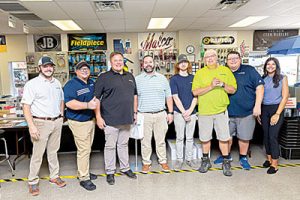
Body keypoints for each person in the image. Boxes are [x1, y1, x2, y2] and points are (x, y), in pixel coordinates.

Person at [21, 56, 66, 196]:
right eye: (45, 66)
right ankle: (33, 181)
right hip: (40, 123)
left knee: (53, 151)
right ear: (40, 68)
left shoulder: (57, 82)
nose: (48, 68)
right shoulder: (32, 84)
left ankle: (54, 176)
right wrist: (31, 126)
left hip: (56, 121)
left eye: (50, 66)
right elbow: (26, 106)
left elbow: (61, 100)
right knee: (38, 154)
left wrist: (61, 116)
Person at [214, 51, 264, 170]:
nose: (232, 60)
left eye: (235, 58)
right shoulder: (222, 72)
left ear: (240, 59)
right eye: (230, 59)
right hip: (226, 112)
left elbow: (260, 87)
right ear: (226, 61)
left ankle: (243, 157)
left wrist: (257, 106)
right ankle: (226, 156)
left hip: (246, 112)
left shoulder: (249, 70)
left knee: (244, 137)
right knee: (226, 137)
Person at [94, 52, 137, 185]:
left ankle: (125, 168)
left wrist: (135, 113)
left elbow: (135, 95)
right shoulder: (103, 77)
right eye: (115, 60)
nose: (118, 62)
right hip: (110, 119)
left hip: (127, 118)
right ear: (111, 62)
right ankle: (110, 171)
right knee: (110, 146)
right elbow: (96, 99)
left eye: (120, 60)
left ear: (123, 62)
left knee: (123, 145)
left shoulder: (130, 76)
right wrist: (98, 117)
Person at [192, 49, 237, 176]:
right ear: (204, 60)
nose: (209, 58)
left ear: (217, 57)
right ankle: (206, 161)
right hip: (204, 112)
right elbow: (195, 92)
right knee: (205, 138)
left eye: (212, 56)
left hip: (221, 111)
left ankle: (226, 162)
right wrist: (211, 86)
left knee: (224, 138)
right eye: (207, 57)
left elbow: (233, 89)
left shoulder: (225, 71)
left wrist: (222, 84)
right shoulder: (200, 73)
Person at [135, 55, 174, 174]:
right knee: (145, 141)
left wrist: (170, 112)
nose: (148, 64)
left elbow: (169, 97)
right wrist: (135, 113)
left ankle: (163, 161)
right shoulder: (137, 80)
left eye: (150, 62)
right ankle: (146, 163)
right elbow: (135, 98)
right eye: (145, 62)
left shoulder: (162, 79)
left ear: (154, 63)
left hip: (160, 114)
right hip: (143, 115)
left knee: (160, 140)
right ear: (142, 65)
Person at [63, 61, 98, 191]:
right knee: (84, 150)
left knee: (87, 149)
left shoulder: (92, 82)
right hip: (78, 122)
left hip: (90, 120)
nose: (84, 70)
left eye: (86, 68)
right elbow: (69, 103)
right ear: (76, 71)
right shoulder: (71, 85)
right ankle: (84, 177)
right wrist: (87, 105)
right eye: (81, 69)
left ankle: (84, 171)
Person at [258, 57, 289, 174]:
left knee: (273, 136)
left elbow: (285, 97)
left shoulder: (282, 78)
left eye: (273, 64)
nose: (270, 66)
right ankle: (269, 159)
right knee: (266, 136)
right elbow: (259, 97)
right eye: (268, 64)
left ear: (277, 66)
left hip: (276, 108)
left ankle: (275, 164)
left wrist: (277, 114)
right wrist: (258, 113)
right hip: (264, 109)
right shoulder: (262, 79)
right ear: (265, 66)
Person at [170, 54, 197, 170]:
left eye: (185, 62)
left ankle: (189, 159)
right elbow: (175, 97)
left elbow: (196, 96)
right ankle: (180, 160)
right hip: (178, 113)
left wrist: (190, 111)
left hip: (192, 112)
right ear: (177, 65)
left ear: (188, 64)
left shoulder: (194, 78)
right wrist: (184, 112)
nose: (183, 64)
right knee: (180, 137)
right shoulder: (174, 79)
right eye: (181, 62)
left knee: (190, 137)